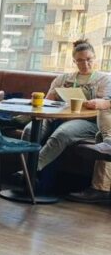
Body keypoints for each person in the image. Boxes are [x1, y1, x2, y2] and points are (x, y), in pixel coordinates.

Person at [25, 39, 111, 176]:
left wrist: (97, 103)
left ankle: (29, 171)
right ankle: (26, 169)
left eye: (89, 59)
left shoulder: (104, 79)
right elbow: (48, 101)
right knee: (29, 130)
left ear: (95, 58)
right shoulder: (63, 79)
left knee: (61, 134)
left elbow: (107, 103)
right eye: (80, 60)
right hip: (58, 115)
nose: (85, 64)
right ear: (74, 61)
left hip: (88, 121)